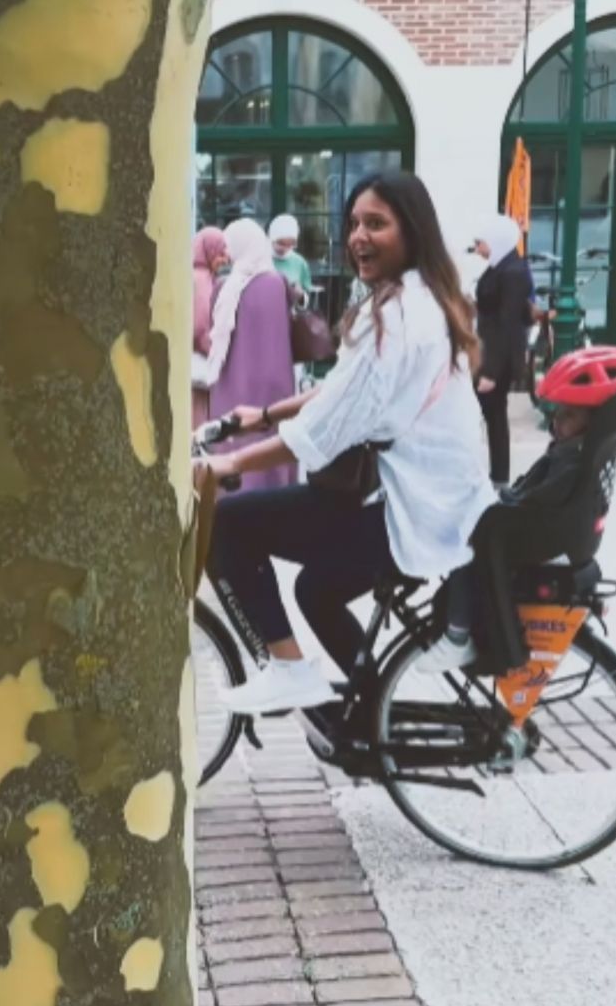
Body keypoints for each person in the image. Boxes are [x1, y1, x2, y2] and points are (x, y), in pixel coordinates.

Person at [202, 172, 495, 713]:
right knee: (317, 589)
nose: (359, 236)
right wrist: (261, 414)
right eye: (354, 223)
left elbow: (325, 430)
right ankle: (376, 707)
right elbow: (342, 391)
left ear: (413, 231)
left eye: (376, 224)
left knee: (232, 524)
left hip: (414, 509)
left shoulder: (398, 319)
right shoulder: (421, 298)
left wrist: (232, 462)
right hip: (437, 497)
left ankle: (289, 671)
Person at [412, 345, 616, 673]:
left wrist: (499, 502)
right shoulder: (577, 450)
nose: (558, 421)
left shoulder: (574, 460)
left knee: (472, 531)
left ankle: (458, 635)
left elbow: (538, 499)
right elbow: (532, 490)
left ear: (592, 423)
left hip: (547, 532)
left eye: (569, 415)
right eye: (559, 412)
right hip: (562, 529)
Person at [194, 219, 297, 491]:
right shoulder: (278, 283)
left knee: (233, 437)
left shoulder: (225, 288)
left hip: (232, 380)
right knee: (272, 439)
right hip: (276, 383)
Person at [472, 214, 533, 485]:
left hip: (499, 358)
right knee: (491, 415)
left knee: (494, 416)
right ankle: (496, 475)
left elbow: (508, 325)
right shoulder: (500, 267)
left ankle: (499, 477)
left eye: (480, 242)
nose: (477, 248)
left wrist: (491, 373)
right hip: (490, 352)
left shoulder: (513, 272)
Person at [191, 227, 230, 429]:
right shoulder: (202, 279)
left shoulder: (195, 274)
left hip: (191, 356)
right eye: (220, 253)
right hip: (198, 358)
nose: (225, 259)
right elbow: (200, 325)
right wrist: (215, 351)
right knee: (197, 420)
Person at [269, 214, 314, 308]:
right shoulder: (261, 258)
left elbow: (306, 299)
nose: (285, 248)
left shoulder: (299, 262)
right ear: (272, 238)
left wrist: (300, 295)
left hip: (288, 317)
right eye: (281, 243)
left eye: (290, 244)